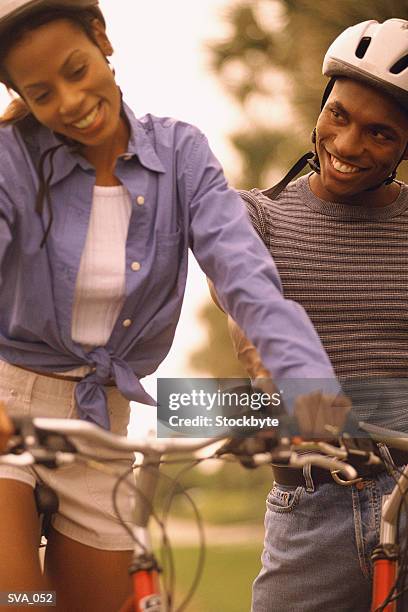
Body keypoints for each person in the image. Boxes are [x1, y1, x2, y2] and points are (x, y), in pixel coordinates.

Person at [0, 1, 341, 609]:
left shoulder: (181, 155)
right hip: (6, 402)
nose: (70, 101)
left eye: (76, 70)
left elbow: (248, 278)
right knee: (22, 598)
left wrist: (304, 385)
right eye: (42, 93)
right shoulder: (12, 159)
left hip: (102, 419)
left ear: (101, 40)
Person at [212, 18, 408, 612]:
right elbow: (247, 303)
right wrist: (270, 375)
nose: (348, 146)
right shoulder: (257, 216)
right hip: (308, 509)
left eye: (379, 133)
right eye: (339, 116)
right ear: (322, 105)